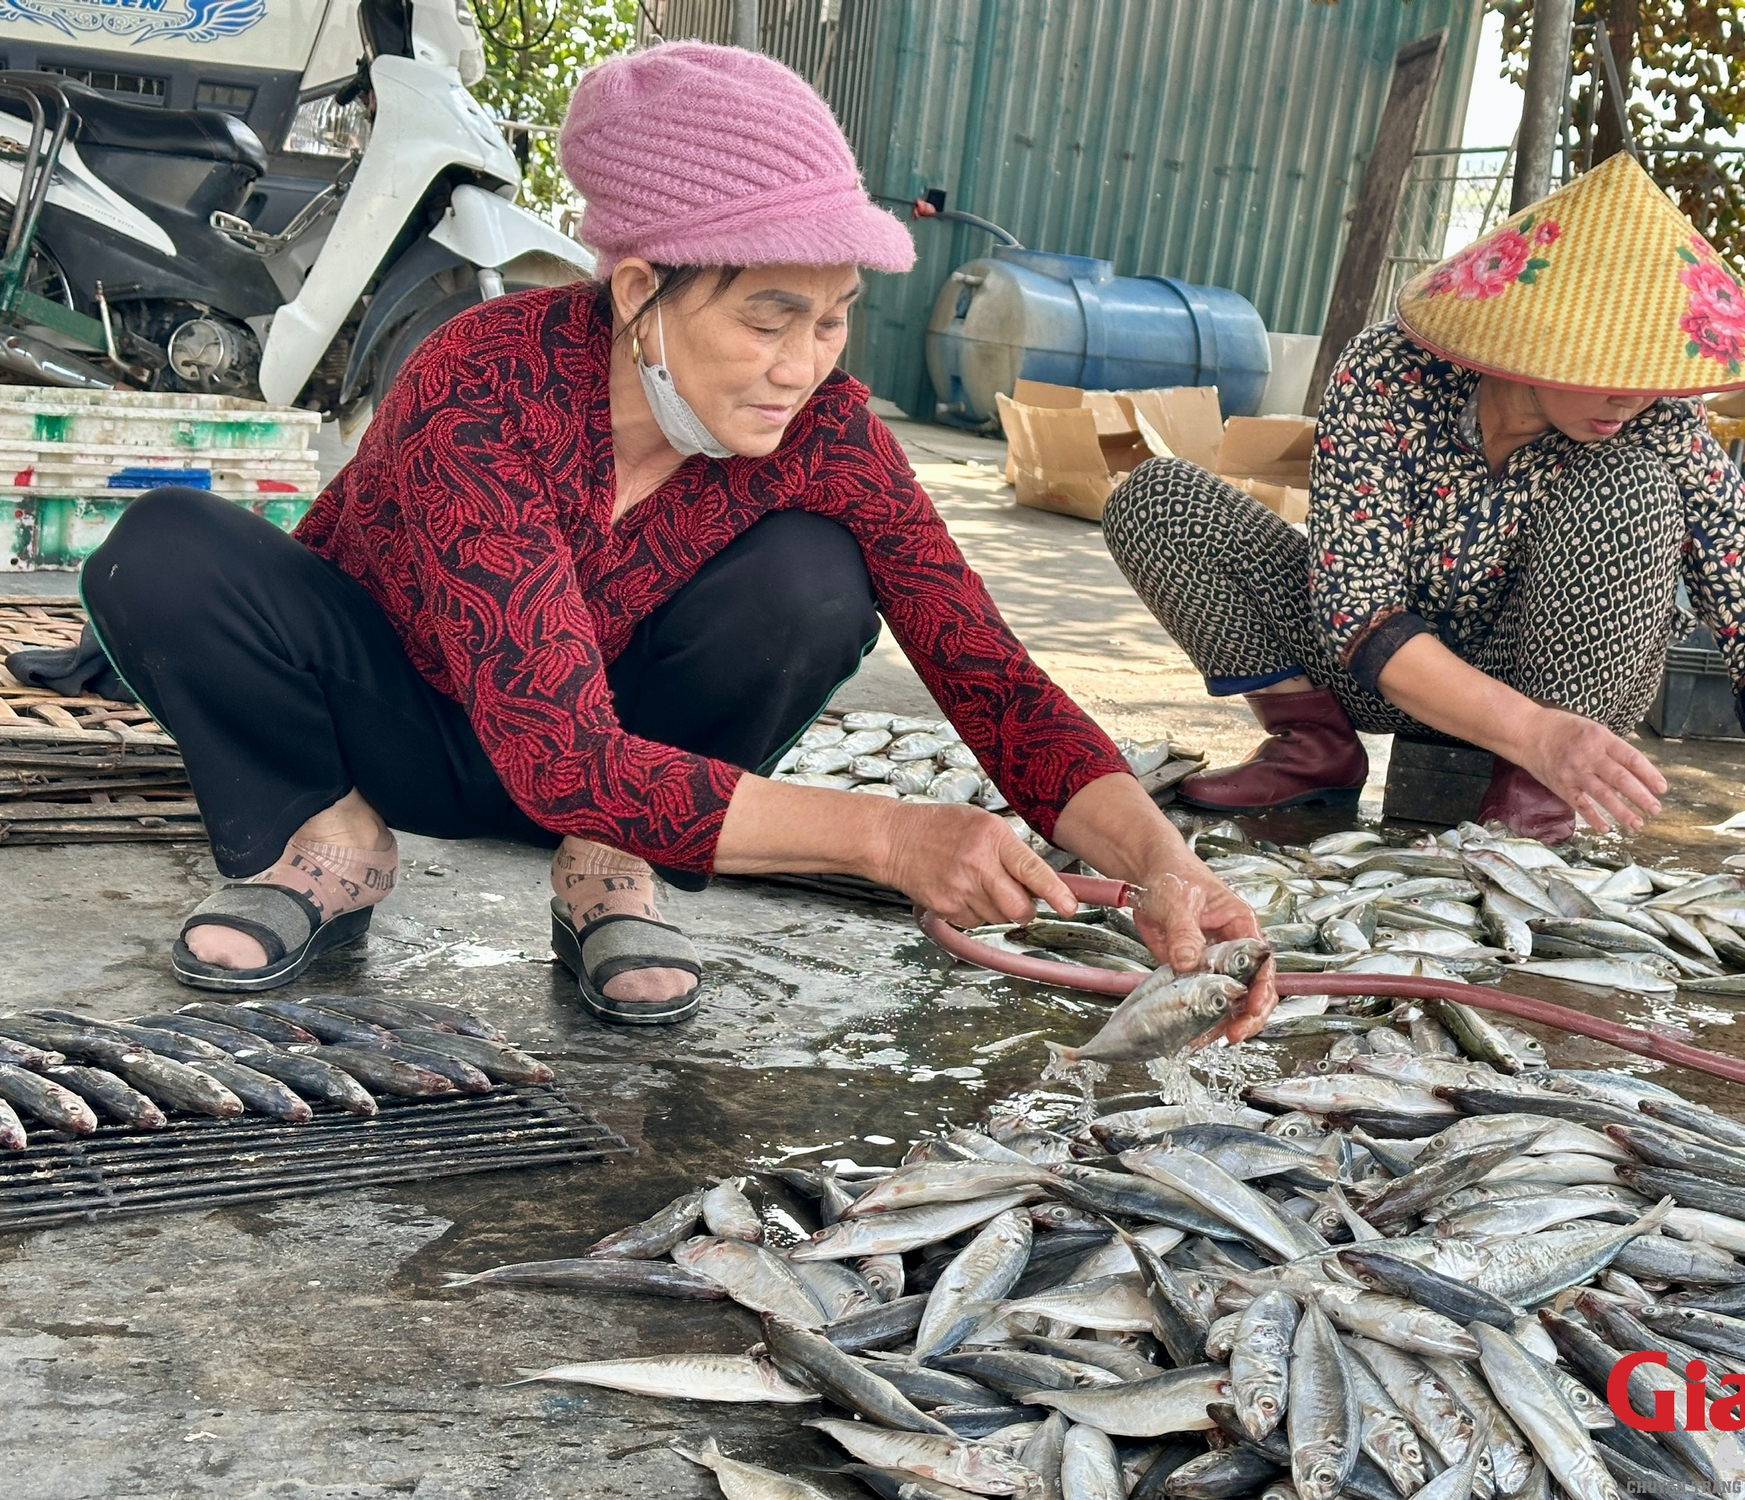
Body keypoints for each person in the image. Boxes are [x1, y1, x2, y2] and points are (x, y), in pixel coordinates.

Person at [81, 42, 1259, 1024]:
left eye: (835, 321)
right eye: (769, 317)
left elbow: (986, 672)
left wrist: (1163, 864)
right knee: (167, 547)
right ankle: (326, 843)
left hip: (632, 778)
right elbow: (551, 753)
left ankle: (610, 869)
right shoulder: (485, 382)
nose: (803, 367)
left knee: (813, 578)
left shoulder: (828, 430)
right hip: (406, 729)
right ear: (640, 288)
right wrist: (889, 841)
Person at [1101, 153, 1745, 937]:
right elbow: (1358, 610)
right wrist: (1532, 731)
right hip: (1379, 670)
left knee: (1629, 484)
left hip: (1567, 694)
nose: (1631, 396)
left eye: (1648, 374)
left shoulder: (1657, 428)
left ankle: (1531, 800)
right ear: (1535, 337)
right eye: (1606, 368)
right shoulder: (1388, 374)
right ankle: (1312, 744)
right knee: (1158, 499)